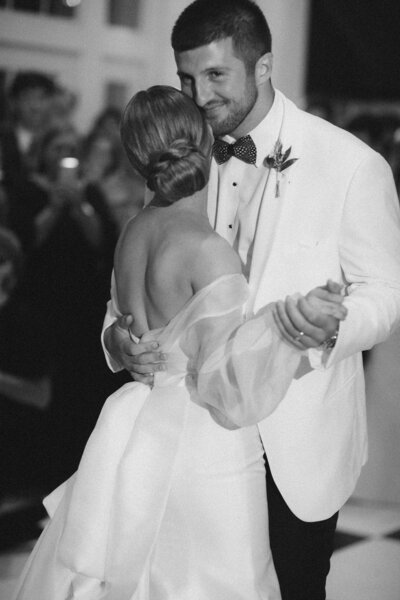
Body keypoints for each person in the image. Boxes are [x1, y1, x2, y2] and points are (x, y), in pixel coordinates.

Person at [103, 1, 400, 598]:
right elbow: (125, 295)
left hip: (296, 441)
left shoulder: (350, 164)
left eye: (216, 75)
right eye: (187, 77)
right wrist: (117, 340)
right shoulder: (178, 158)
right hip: (190, 443)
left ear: (263, 66)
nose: (198, 94)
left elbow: (386, 294)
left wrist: (330, 326)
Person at [12, 85, 346, 600]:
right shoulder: (207, 250)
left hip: (135, 427)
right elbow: (225, 385)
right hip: (202, 443)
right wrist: (289, 328)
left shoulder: (131, 232)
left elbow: (121, 322)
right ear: (207, 142)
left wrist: (117, 342)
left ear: (136, 154)